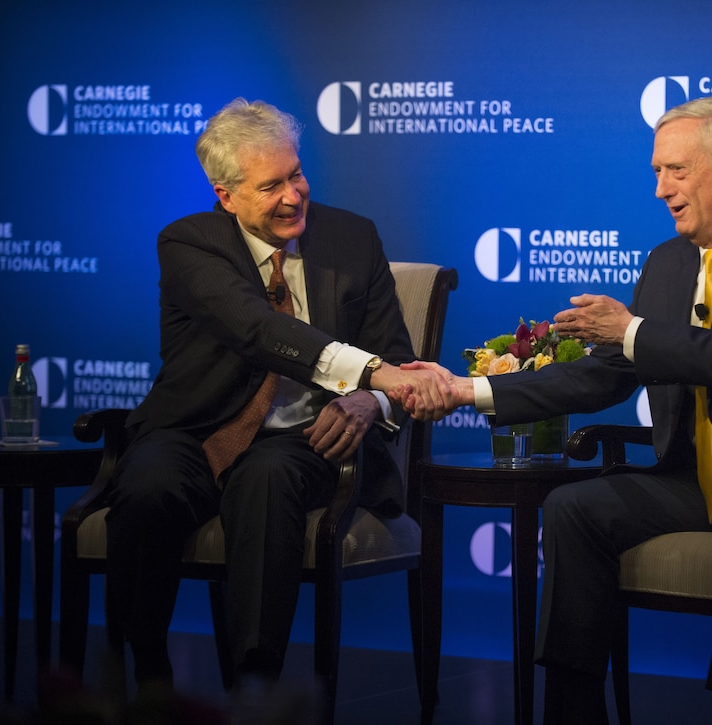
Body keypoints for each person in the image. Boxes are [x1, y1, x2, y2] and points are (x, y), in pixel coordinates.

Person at [404, 96, 712, 723]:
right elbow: (607, 376)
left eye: (676, 171)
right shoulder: (668, 261)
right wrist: (469, 391)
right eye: (656, 172)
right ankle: (572, 707)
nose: (660, 190)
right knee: (575, 506)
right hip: (693, 477)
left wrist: (629, 330)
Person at [104, 98, 452, 692]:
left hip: (308, 436)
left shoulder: (352, 238)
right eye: (271, 186)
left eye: (296, 174)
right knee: (147, 485)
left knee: (266, 479)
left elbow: (393, 356)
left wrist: (372, 399)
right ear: (226, 195)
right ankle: (146, 673)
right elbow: (256, 329)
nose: (294, 196)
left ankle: (256, 682)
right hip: (198, 429)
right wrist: (371, 372)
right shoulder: (190, 244)